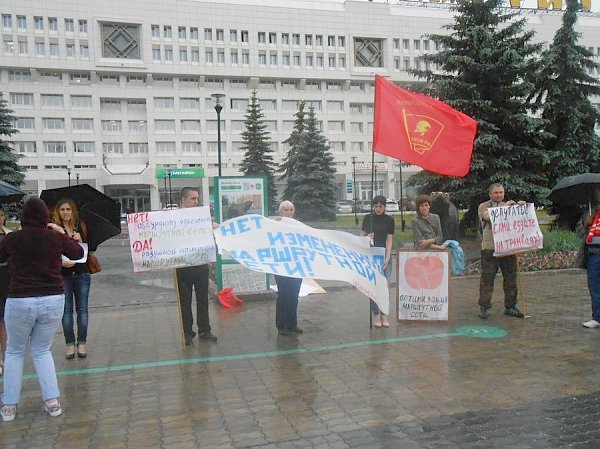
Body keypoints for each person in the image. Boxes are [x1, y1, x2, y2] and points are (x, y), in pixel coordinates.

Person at [0, 197, 83, 422]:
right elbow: (77, 253)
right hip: (52, 298)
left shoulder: (13, 238)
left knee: (15, 352)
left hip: (19, 299)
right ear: (46, 215)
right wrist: (61, 233)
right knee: (41, 350)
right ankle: (52, 402)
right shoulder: (54, 237)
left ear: (24, 216)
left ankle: (9, 406)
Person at [176, 187, 217, 344]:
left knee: (203, 299)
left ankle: (205, 330)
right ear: (183, 200)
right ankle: (187, 332)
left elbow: (211, 230)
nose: (196, 202)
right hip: (183, 266)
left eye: (197, 199)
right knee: (185, 302)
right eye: (193, 199)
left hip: (200, 264)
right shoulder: (175, 217)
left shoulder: (202, 217)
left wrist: (214, 226)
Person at [478, 183, 525, 319]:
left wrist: (521, 207)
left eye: (501, 192)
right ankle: (484, 307)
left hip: (507, 248)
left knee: (511, 278)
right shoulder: (484, 206)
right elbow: (488, 216)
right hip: (490, 248)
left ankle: (510, 306)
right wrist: (506, 207)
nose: (499, 195)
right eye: (496, 192)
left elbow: (519, 220)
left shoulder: (509, 206)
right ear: (490, 194)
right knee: (487, 279)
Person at [52, 199, 92, 359]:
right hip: (64, 274)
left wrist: (82, 241)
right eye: (62, 209)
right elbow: (50, 251)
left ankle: (82, 342)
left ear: (73, 211)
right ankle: (69, 344)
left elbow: (92, 247)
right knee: (66, 311)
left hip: (82, 273)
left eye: (68, 209)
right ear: (58, 212)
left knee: (82, 310)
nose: (65, 212)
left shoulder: (80, 227)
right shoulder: (54, 230)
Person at [360, 195, 395, 328]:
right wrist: (367, 238)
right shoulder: (368, 218)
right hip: (371, 256)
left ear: (385, 206)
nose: (378, 209)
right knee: (374, 286)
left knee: (384, 286)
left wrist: (387, 256)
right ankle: (376, 314)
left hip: (384, 255)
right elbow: (361, 236)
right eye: (375, 206)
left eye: (381, 206)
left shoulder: (389, 220)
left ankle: (384, 314)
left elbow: (389, 240)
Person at [273, 201, 304, 336]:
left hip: (296, 265)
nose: (289, 212)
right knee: (283, 295)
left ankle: (292, 324)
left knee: (294, 295)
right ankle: (281, 325)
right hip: (281, 266)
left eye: (291, 209)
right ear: (280, 212)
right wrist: (274, 221)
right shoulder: (275, 224)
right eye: (286, 210)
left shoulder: (298, 226)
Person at [576, 190, 600, 329]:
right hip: (593, 253)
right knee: (594, 286)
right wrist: (586, 224)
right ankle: (597, 317)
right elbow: (579, 232)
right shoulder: (590, 211)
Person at [0, 207, 12, 376]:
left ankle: (7, 356)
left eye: (1, 215)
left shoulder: (9, 234)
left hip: (6, 280)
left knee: (4, 320)